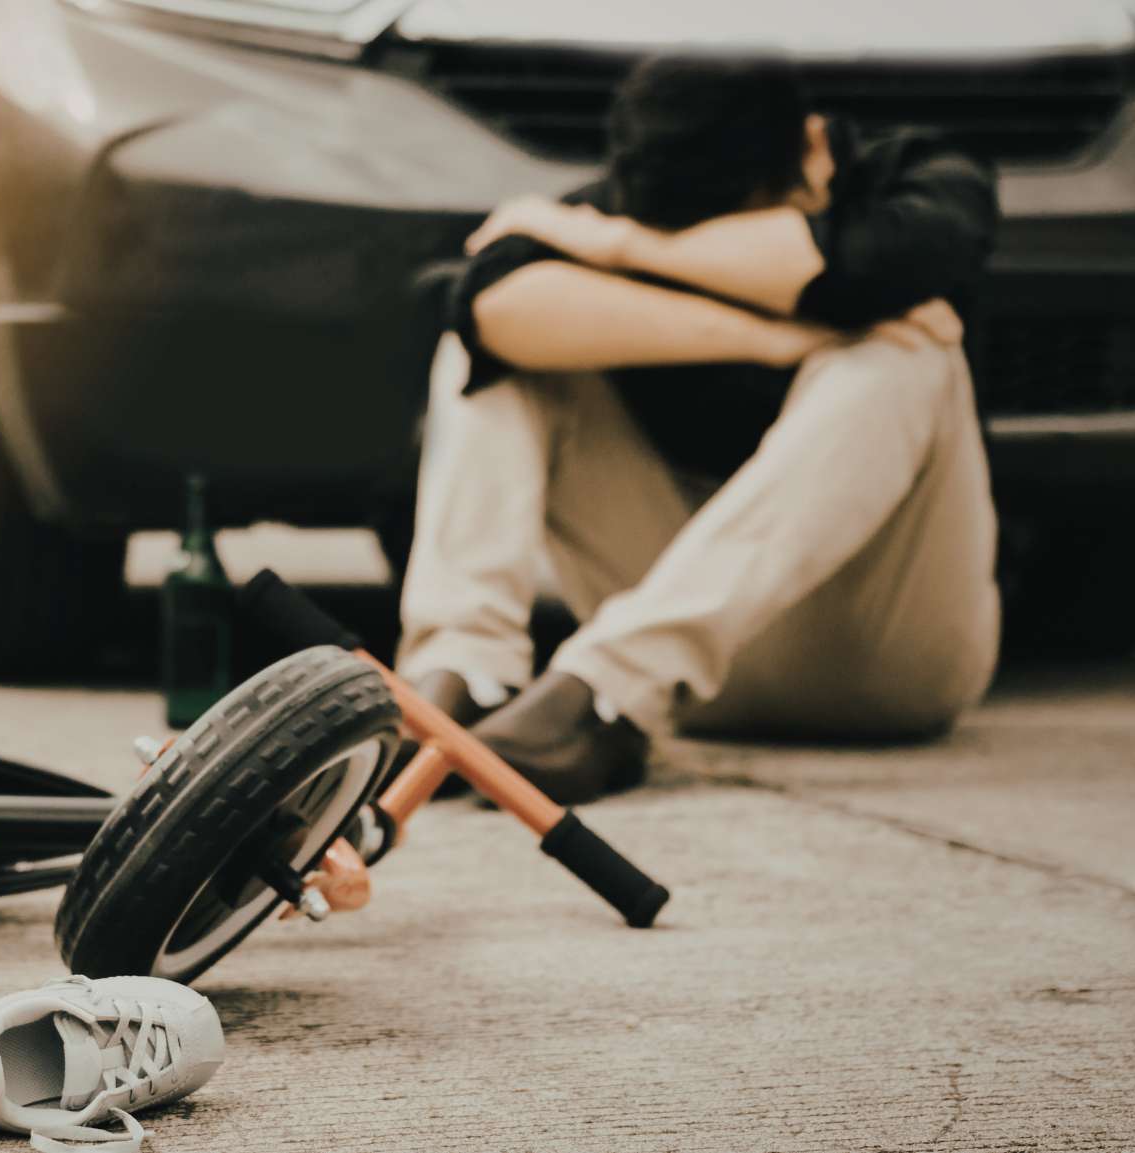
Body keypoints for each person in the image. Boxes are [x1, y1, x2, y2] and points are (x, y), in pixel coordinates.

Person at [398, 56, 1002, 805]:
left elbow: (875, 267)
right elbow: (484, 303)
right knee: (490, 352)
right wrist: (765, 335)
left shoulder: (919, 175)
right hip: (694, 674)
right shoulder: (650, 193)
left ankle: (609, 690)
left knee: (908, 350)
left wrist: (630, 250)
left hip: (886, 660)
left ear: (816, 150)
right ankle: (466, 675)